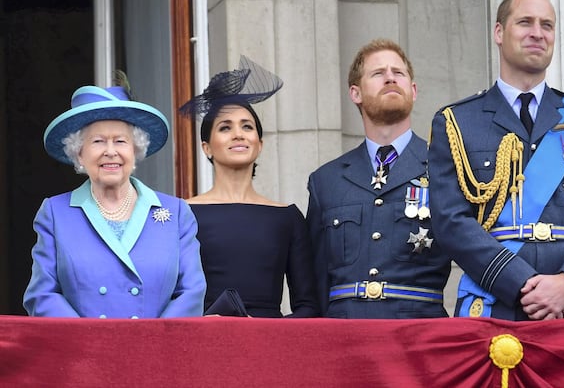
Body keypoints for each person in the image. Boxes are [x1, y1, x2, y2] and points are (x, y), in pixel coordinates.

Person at [428, 0, 564, 321]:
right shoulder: (457, 122)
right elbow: (450, 221)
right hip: (496, 301)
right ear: (498, 32)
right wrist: (523, 282)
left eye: (547, 25)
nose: (538, 33)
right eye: (525, 22)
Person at [24, 78, 206, 318]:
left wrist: (154, 341)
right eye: (98, 141)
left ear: (136, 150)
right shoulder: (55, 213)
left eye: (120, 141)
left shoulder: (177, 212)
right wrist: (92, 341)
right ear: (79, 154)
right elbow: (42, 295)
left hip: (155, 350)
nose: (111, 151)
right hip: (84, 351)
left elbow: (192, 292)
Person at [306, 39, 451, 318]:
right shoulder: (326, 181)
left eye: (398, 73)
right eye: (378, 73)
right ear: (355, 93)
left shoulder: (446, 169)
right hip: (345, 337)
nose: (390, 78)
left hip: (420, 336)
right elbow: (316, 281)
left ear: (414, 90)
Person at [180, 56, 319, 318]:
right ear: (206, 147)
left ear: (259, 143)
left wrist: (267, 333)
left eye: (247, 126)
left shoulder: (288, 217)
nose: (238, 134)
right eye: (225, 127)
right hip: (203, 344)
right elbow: (171, 297)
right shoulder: (183, 213)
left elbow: (309, 306)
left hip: (270, 348)